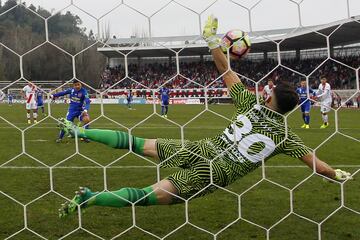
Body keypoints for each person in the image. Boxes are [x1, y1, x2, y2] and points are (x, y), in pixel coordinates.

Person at [57, 15, 352, 218]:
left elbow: (225, 71)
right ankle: (90, 198)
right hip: (210, 174)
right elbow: (318, 167)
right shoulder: (285, 136)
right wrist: (337, 174)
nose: (266, 91)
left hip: (200, 149)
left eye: (270, 90)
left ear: (270, 97)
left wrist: (212, 39)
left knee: (136, 142)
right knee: (145, 195)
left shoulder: (249, 102)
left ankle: (79, 132)